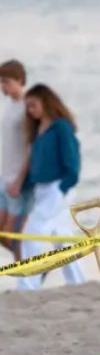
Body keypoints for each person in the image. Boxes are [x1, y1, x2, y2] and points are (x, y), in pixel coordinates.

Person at [17, 84, 85, 291]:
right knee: (62, 238)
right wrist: (23, 185)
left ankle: (29, 285)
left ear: (46, 103)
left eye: (34, 105)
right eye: (28, 107)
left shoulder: (61, 127)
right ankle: (78, 282)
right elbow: (37, 164)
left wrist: (63, 187)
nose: (31, 110)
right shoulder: (39, 131)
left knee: (31, 233)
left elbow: (72, 161)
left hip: (57, 188)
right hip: (41, 189)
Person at [0, 60, 30, 259]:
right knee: (3, 234)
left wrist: (20, 180)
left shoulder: (28, 107)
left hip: (17, 180)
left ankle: (30, 272)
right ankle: (31, 270)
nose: (3, 87)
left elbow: (31, 147)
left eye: (6, 82)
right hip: (3, 176)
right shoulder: (8, 105)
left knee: (12, 233)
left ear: (19, 80)